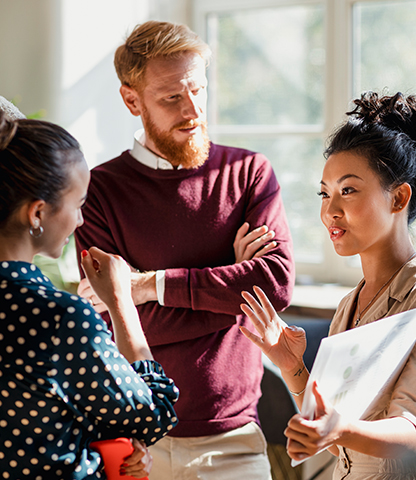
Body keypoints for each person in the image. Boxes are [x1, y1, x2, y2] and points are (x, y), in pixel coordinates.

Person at [74, 20, 295, 479]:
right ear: (131, 100)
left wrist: (145, 286)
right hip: (137, 446)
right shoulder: (97, 192)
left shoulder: (249, 172)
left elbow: (272, 287)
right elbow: (111, 323)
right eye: (172, 97)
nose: (192, 108)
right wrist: (230, 285)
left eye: (198, 89)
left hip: (235, 441)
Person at [241, 92, 416, 480]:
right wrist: (291, 366)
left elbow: (410, 433)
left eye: (348, 190)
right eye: (325, 192)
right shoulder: (351, 304)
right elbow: (331, 435)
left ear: (398, 197)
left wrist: (339, 428)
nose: (330, 209)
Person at [0, 111, 179, 479]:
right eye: (79, 204)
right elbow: (153, 413)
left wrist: (101, 442)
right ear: (37, 213)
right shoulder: (57, 318)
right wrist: (120, 301)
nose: (81, 221)